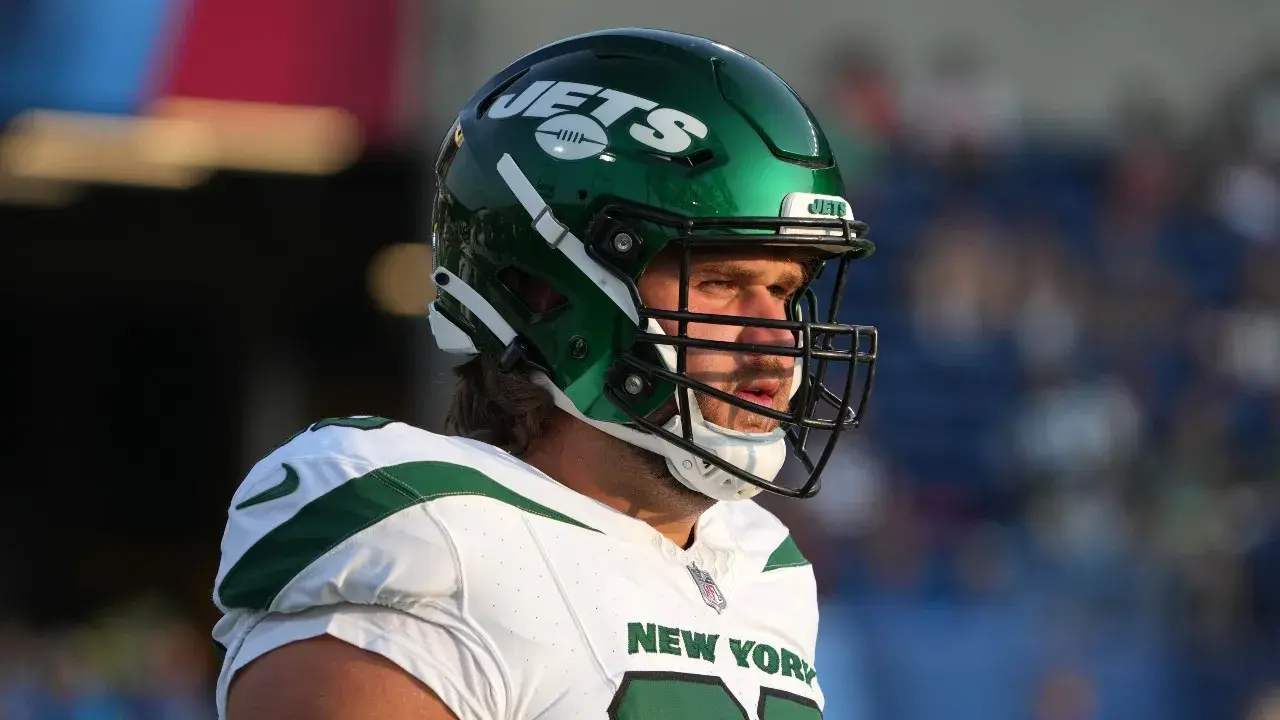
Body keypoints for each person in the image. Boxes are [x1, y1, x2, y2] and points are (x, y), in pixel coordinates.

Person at [211, 27, 879, 719]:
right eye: (717, 282)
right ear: (547, 294)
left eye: (785, 291)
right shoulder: (431, 539)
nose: (774, 342)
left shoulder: (758, 564)